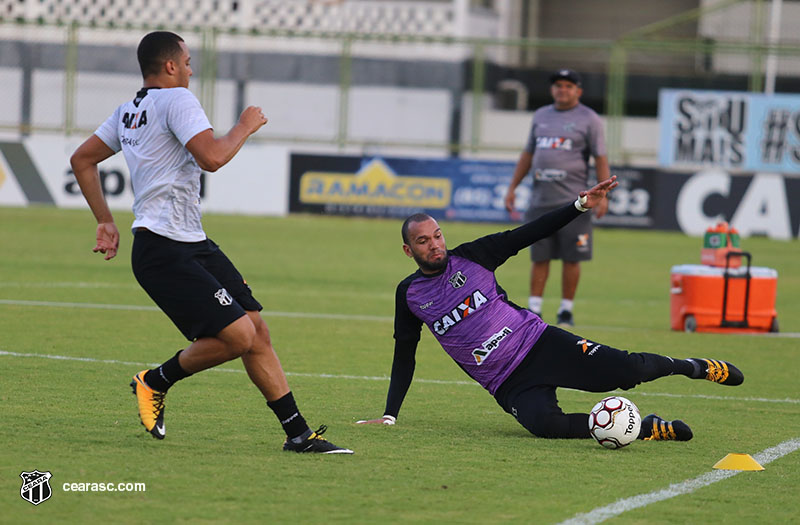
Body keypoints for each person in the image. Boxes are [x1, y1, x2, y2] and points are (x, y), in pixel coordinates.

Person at [70, 31, 352, 454]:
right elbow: (212, 158)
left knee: (256, 330)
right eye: (186, 61)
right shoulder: (177, 99)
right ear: (169, 66)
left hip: (190, 242)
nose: (190, 68)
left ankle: (298, 434)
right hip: (162, 247)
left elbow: (82, 159)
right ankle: (154, 381)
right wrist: (245, 125)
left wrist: (105, 221)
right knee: (238, 336)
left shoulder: (130, 110)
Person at [357, 176, 744, 442]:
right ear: (410, 251)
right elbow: (403, 355)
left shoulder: (474, 256)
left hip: (540, 342)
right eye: (424, 242)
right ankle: (645, 428)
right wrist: (390, 413)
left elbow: (530, 233)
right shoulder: (409, 295)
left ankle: (693, 367)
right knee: (545, 426)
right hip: (506, 381)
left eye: (438, 235)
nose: (435, 245)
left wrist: (579, 205)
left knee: (627, 371)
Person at [504, 69, 611, 326]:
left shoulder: (589, 119)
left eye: (568, 85)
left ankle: (566, 310)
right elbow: (528, 154)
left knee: (572, 258)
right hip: (540, 201)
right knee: (539, 257)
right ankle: (535, 309)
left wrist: (603, 194)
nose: (562, 89)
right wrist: (512, 187)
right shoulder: (541, 116)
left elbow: (600, 157)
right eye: (558, 85)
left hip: (575, 203)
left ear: (578, 91)